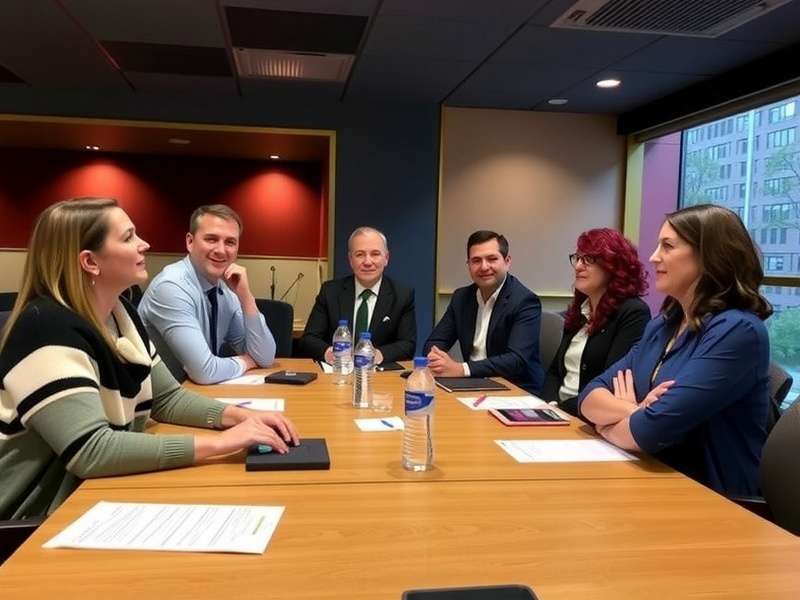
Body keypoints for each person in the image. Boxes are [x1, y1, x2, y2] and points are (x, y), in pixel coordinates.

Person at [0, 198, 299, 520]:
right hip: (31, 518)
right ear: (90, 261)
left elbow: (167, 398)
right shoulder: (45, 327)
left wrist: (239, 417)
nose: (144, 244)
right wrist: (222, 444)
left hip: (87, 494)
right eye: (128, 237)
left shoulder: (120, 313)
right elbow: (91, 450)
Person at [578, 204, 771, 496]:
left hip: (710, 500)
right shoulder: (664, 324)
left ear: (710, 256)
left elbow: (650, 431)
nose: (654, 257)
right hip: (647, 477)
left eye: (667, 246)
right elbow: (589, 397)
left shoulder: (737, 332)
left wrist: (609, 426)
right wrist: (637, 410)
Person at [138, 204, 276, 384]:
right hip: (156, 404)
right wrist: (246, 361)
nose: (221, 250)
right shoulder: (171, 287)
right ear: (190, 242)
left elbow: (265, 357)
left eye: (230, 242)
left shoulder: (225, 291)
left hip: (193, 394)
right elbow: (204, 372)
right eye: (211, 239)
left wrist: (246, 297)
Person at [542, 229, 650, 416]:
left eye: (589, 259)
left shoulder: (633, 313)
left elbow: (609, 383)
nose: (578, 266)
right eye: (578, 258)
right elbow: (554, 372)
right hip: (557, 413)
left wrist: (559, 410)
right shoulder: (581, 309)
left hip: (587, 418)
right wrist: (546, 404)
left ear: (613, 266)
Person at [423, 230, 543, 394]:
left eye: (492, 259)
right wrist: (436, 358)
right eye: (476, 261)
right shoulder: (461, 297)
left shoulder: (525, 301)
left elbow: (516, 360)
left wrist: (461, 369)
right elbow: (435, 341)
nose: (484, 267)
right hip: (471, 385)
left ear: (507, 262)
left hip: (513, 388)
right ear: (469, 265)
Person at [299, 226, 416, 365]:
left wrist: (379, 354)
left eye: (375, 254)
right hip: (337, 373)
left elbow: (408, 344)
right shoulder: (330, 291)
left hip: (380, 376)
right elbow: (309, 339)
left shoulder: (402, 295)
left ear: (386, 258)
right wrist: (330, 353)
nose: (367, 262)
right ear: (350, 259)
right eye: (360, 254)